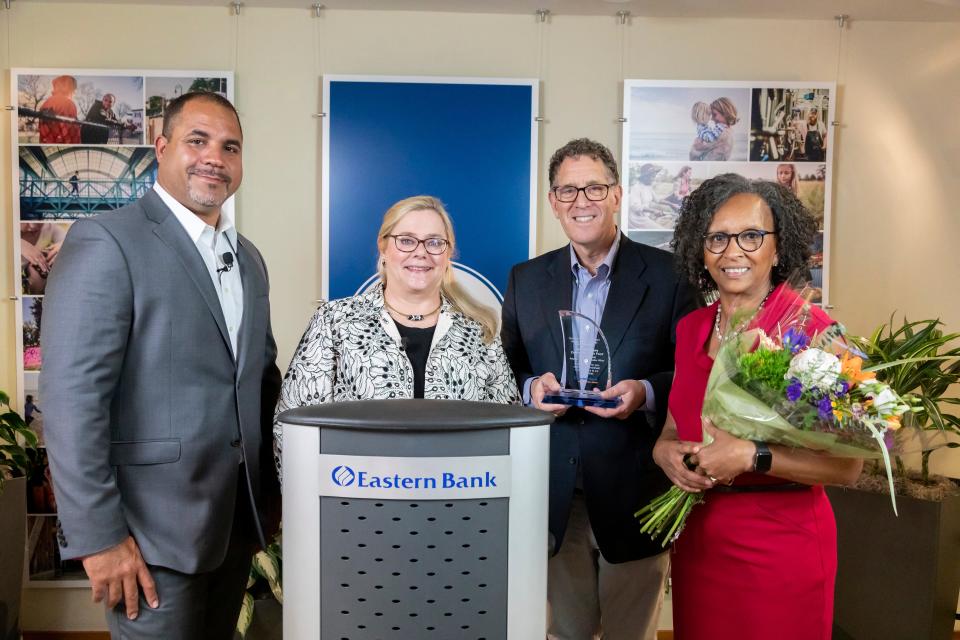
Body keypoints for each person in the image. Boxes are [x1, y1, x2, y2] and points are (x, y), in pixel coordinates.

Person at [40, 91, 282, 639]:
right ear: (162, 147)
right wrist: (99, 538)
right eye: (197, 141)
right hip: (147, 538)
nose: (214, 157)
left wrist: (270, 497)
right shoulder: (108, 240)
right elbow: (72, 399)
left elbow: (260, 381)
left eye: (230, 146)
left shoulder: (249, 260)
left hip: (232, 528)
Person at [654, 173, 862, 640]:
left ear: (777, 246)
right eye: (717, 238)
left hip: (781, 546)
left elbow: (849, 467)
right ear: (699, 248)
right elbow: (671, 428)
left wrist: (753, 456)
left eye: (751, 235)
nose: (733, 251)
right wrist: (663, 453)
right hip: (700, 539)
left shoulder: (813, 331)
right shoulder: (691, 327)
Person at [501, 138, 695, 640]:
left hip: (636, 490)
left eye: (594, 187)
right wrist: (529, 388)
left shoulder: (672, 276)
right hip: (556, 495)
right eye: (568, 190)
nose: (580, 200)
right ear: (552, 201)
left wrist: (646, 393)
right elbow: (507, 365)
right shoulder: (526, 279)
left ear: (617, 194)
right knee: (566, 633)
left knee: (631, 634)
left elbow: (694, 372)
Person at [274, 195, 519, 473]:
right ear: (383, 246)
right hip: (355, 503)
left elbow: (509, 429)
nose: (421, 252)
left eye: (434, 242)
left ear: (448, 254)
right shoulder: (334, 323)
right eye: (406, 240)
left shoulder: (479, 331)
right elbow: (292, 427)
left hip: (460, 499)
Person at [20, 222, 66, 295]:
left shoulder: (49, 227)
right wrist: (64, 244)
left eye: (37, 266)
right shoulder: (50, 227)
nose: (33, 226)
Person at [690, 97, 739, 161]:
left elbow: (696, 151)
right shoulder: (726, 131)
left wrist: (697, 144)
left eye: (714, 115)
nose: (711, 119)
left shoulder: (723, 134)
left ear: (726, 113)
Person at [37, 75, 81, 144]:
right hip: (62, 141)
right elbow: (71, 132)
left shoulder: (45, 103)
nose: (74, 92)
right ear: (70, 88)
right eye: (74, 88)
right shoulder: (68, 103)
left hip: (46, 141)